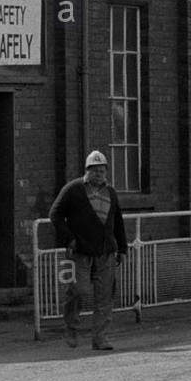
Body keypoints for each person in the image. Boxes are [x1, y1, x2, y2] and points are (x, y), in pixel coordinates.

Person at [48, 149, 127, 352]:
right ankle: (71, 327)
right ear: (87, 171)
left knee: (104, 297)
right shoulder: (73, 189)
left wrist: (123, 248)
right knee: (78, 290)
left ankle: (100, 339)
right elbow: (55, 214)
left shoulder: (110, 192)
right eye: (95, 170)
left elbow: (118, 221)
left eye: (102, 170)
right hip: (81, 250)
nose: (99, 174)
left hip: (105, 250)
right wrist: (69, 238)